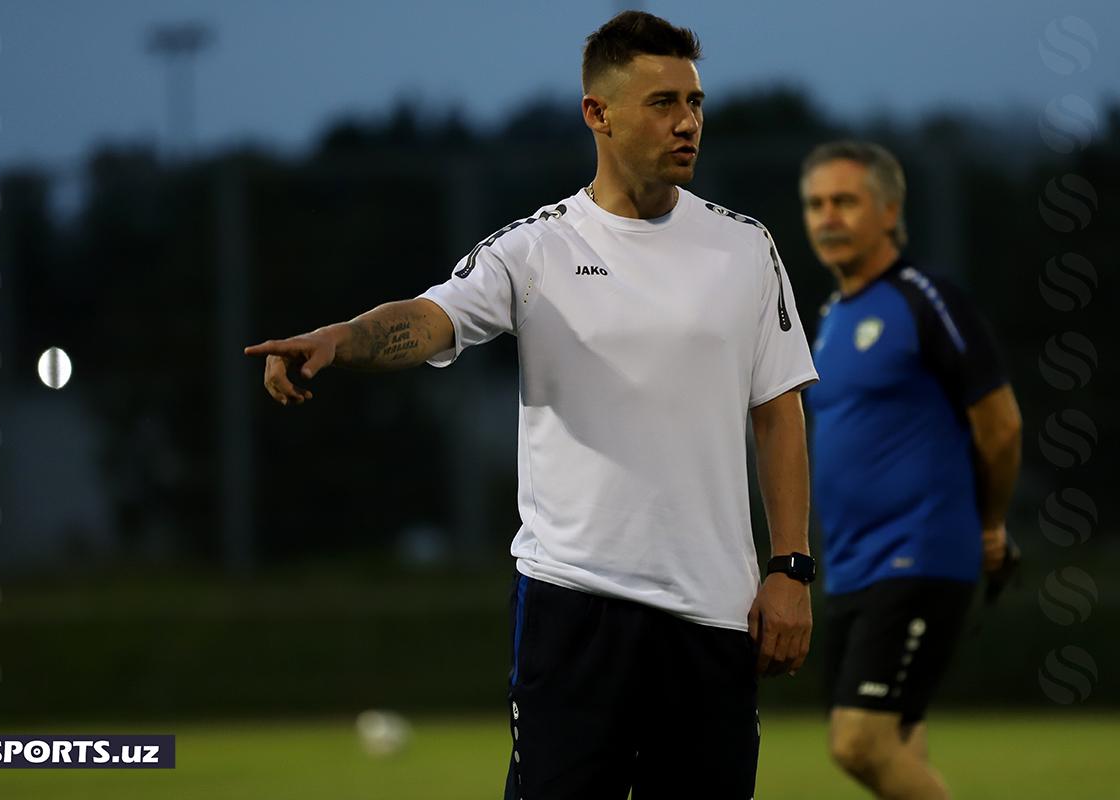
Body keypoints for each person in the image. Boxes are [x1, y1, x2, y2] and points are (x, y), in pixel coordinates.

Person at [246, 12, 819, 799]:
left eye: (694, 101)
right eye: (661, 102)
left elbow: (777, 412)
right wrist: (341, 339)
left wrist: (790, 567)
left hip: (713, 616)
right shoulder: (535, 249)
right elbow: (430, 317)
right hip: (574, 609)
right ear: (598, 113)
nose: (687, 122)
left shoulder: (746, 247)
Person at [799, 141, 1023, 800]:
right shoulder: (830, 318)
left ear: (891, 209)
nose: (827, 218)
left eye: (845, 201)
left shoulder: (927, 299)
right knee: (897, 745)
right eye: (815, 205)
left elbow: (1001, 424)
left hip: (919, 554)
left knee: (859, 742)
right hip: (851, 564)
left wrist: (991, 522)